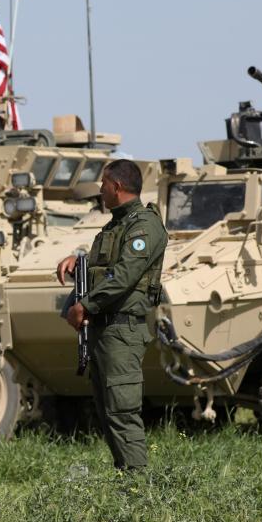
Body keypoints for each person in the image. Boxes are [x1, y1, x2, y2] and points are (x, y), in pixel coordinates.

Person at [56, 160, 167, 471]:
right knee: (107, 414)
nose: (100, 191)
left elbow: (125, 274)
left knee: (122, 413)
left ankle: (138, 492)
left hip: (122, 332)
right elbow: (104, 265)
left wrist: (86, 305)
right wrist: (79, 261)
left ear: (117, 187)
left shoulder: (144, 226)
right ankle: (126, 486)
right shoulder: (116, 226)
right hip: (104, 333)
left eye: (103, 185)